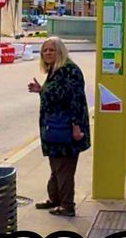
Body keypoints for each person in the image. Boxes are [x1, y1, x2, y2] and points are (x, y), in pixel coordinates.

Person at [28, 36, 89, 217]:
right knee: (56, 166)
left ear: (60, 51)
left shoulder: (69, 70)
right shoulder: (55, 70)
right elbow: (56, 96)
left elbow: (76, 100)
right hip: (54, 128)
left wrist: (76, 127)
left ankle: (67, 206)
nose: (47, 53)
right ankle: (55, 199)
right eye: (45, 50)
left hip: (66, 129)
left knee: (64, 168)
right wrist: (41, 90)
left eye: (52, 50)